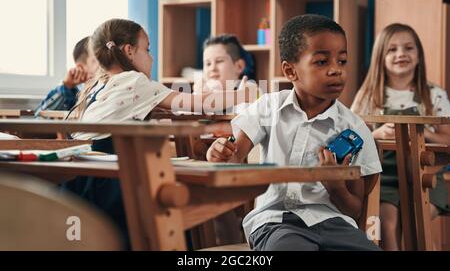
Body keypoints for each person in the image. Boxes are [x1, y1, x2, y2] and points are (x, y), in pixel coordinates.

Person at [63, 18, 255, 247]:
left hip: (82, 179)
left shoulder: (99, 86)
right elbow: (199, 104)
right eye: (148, 49)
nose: (152, 57)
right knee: (175, 204)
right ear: (128, 51)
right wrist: (244, 95)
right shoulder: (136, 81)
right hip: (113, 184)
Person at [206, 14, 382, 251]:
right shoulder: (269, 107)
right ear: (290, 71)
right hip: (276, 223)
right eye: (322, 62)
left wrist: (335, 184)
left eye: (342, 61)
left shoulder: (355, 128)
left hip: (336, 226)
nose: (336, 71)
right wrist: (221, 154)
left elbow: (355, 209)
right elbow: (235, 156)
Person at [351, 23, 450, 250]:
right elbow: (351, 136)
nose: (401, 54)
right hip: (383, 179)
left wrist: (420, 132)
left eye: (408, 48)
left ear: (418, 56)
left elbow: (448, 138)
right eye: (392, 49)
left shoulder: (433, 94)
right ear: (380, 57)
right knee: (387, 225)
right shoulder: (368, 95)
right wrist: (375, 134)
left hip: (425, 178)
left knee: (417, 224)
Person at [34, 36, 99, 116]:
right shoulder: (73, 93)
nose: (106, 62)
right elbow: (40, 118)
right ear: (80, 68)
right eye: (99, 58)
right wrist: (67, 86)